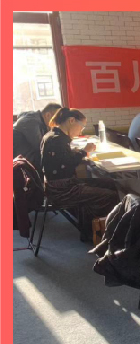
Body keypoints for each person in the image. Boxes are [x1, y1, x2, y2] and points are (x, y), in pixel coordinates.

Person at [40, 108, 119, 241]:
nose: (81, 131)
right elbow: (67, 166)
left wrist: (73, 152)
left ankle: (89, 227)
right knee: (110, 196)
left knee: (109, 183)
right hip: (62, 189)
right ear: (71, 121)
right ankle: (98, 233)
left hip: (58, 184)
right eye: (81, 126)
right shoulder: (57, 140)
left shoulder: (53, 135)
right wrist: (83, 151)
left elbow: (60, 161)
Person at [13, 103, 61, 174]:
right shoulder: (30, 122)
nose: (57, 124)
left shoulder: (39, 121)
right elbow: (41, 147)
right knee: (54, 161)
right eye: (56, 120)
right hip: (20, 157)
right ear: (48, 115)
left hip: (25, 154)